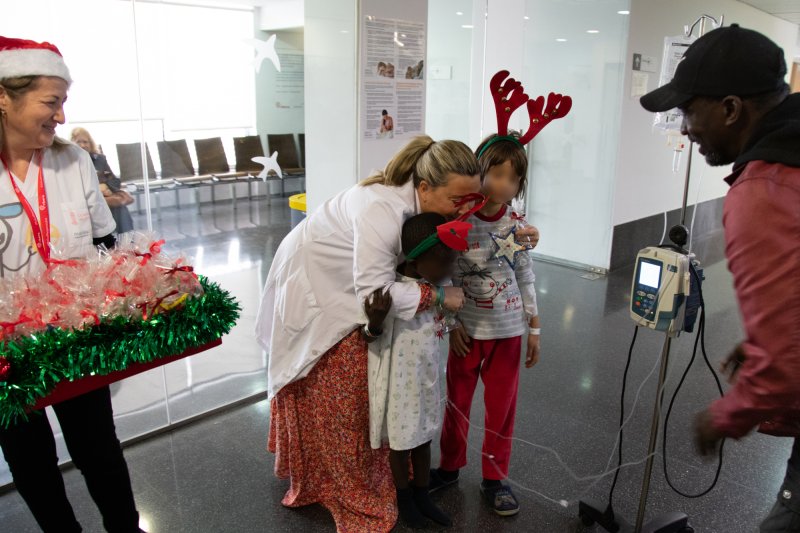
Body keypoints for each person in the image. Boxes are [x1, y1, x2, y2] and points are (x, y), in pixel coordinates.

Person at [640, 24, 800, 532]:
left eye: (689, 111)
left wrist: (727, 414)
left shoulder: (766, 189)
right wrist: (765, 343)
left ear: (731, 108)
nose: (685, 128)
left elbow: (787, 358)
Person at [0, 36, 142, 532]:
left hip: (75, 331)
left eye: (62, 102)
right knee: (30, 459)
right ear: (3, 97)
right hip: (6, 350)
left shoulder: (72, 162)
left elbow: (104, 242)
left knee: (98, 447)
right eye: (50, 101)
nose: (61, 116)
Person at [430, 132, 541, 516]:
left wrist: (535, 328)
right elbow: (445, 276)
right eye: (495, 173)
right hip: (467, 332)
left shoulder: (518, 225)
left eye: (512, 178)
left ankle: (495, 477)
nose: (502, 184)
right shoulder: (460, 222)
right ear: (480, 173)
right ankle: (448, 468)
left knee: (501, 408)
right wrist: (451, 325)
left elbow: (525, 275)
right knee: (457, 402)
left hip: (508, 333)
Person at [365, 212, 471, 528]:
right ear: (415, 261)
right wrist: (375, 322)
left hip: (426, 376)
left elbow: (445, 309)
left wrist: (453, 327)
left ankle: (422, 494)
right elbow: (368, 337)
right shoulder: (395, 293)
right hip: (399, 384)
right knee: (401, 442)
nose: (450, 271)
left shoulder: (434, 284)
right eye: (444, 263)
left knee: (424, 437)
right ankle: (405, 499)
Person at [70, 127, 134, 234]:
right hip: (85, 201)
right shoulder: (69, 162)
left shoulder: (100, 159)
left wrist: (106, 186)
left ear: (90, 144)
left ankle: (127, 243)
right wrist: (97, 188)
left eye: (85, 142)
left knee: (120, 207)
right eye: (78, 142)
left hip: (104, 200)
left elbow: (114, 180)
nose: (82, 145)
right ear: (72, 144)